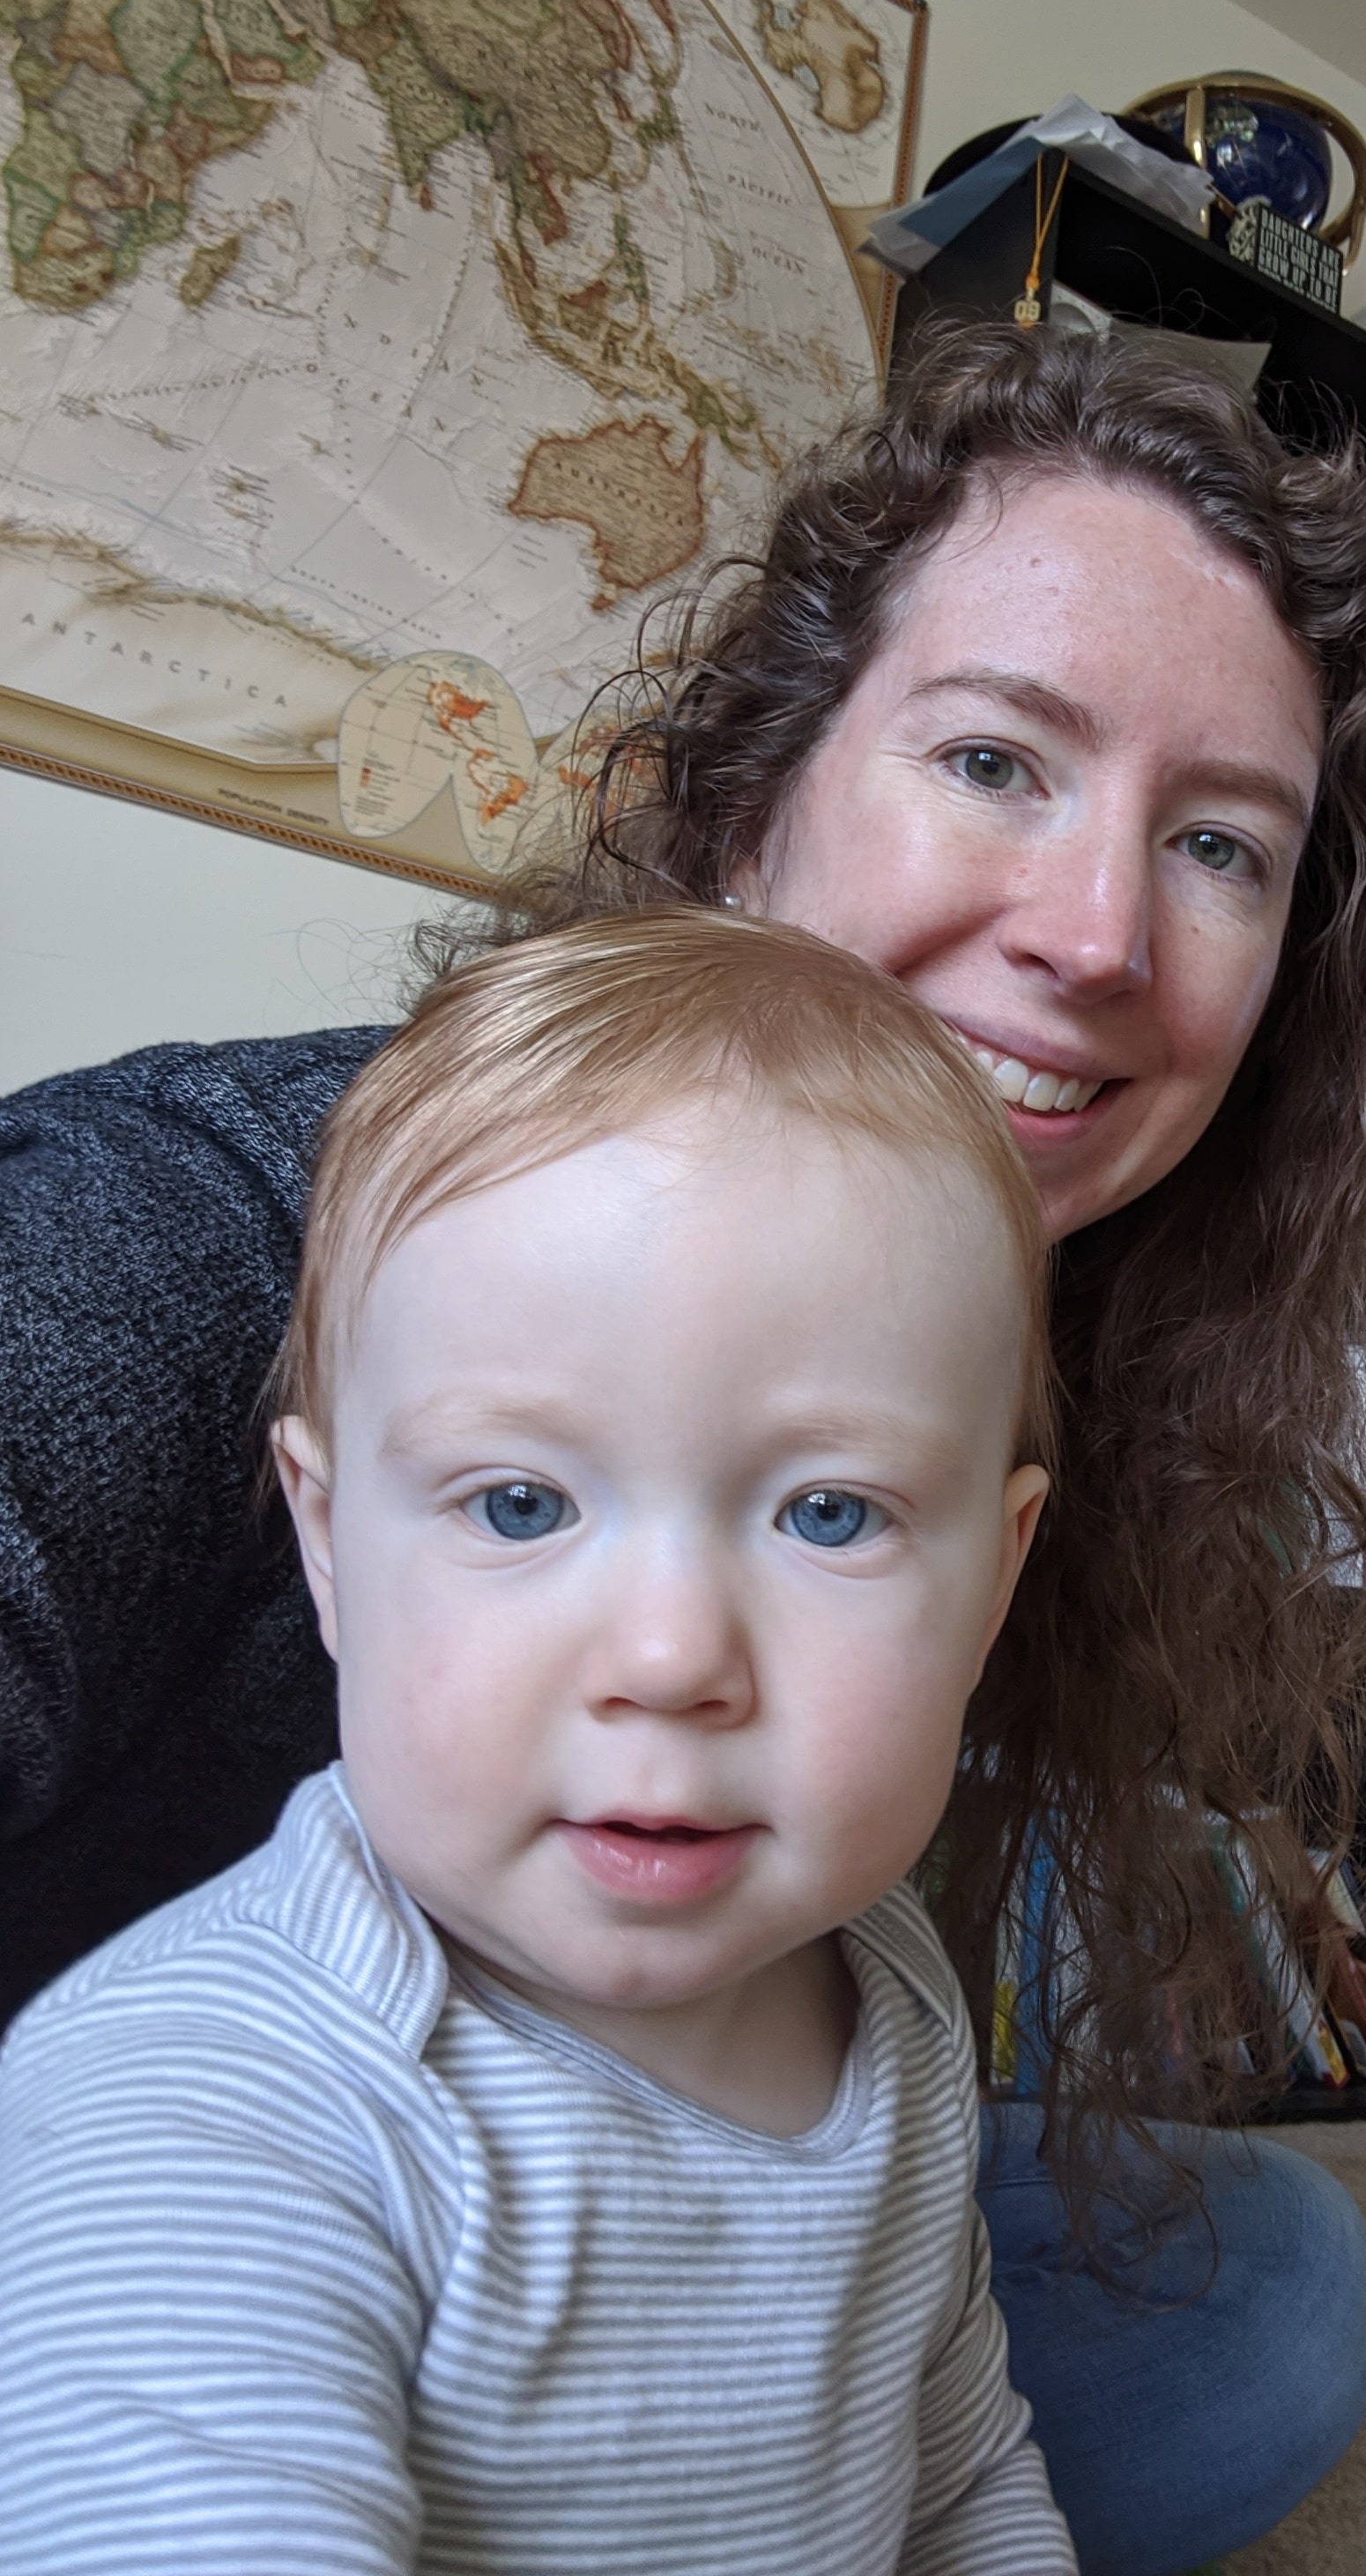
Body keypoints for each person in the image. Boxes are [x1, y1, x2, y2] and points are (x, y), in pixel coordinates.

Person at [0, 323, 1366, 2572]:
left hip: (693, 2123)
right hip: (153, 2251)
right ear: (759, 787)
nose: (1097, 933)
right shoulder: (195, 1231)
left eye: (1219, 848)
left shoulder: (1049, 1366)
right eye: (994, 759)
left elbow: (959, 2434)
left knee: (1268, 2293)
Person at [0, 909, 1076, 2572]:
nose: (669, 1657)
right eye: (519, 1503)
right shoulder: (208, 2111)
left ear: (994, 1580)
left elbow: (955, 2482)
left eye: (829, 1513)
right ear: (330, 1541)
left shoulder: (892, 1987)